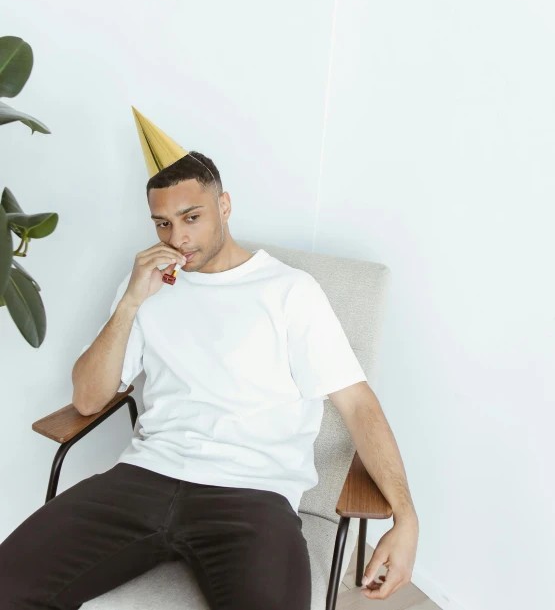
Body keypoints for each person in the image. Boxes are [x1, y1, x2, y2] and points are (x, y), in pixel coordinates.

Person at [0, 112, 419, 608]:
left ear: (224, 205)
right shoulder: (146, 286)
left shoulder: (289, 292)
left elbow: (357, 405)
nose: (177, 238)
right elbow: (88, 400)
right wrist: (131, 302)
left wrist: (405, 517)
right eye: (163, 223)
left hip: (251, 498)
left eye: (191, 217)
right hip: (142, 480)